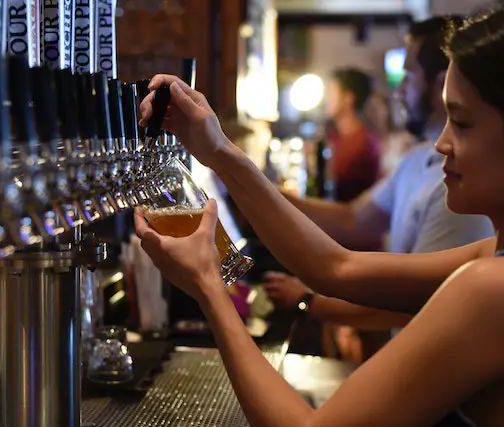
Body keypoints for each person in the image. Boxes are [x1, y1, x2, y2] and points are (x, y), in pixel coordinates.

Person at [136, 8, 504, 426]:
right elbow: (335, 267)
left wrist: (208, 287)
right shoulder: (490, 257)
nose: (441, 143)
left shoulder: (489, 288)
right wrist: (219, 151)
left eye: (462, 122)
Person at [264, 17, 494, 341]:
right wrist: (263, 191)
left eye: (410, 74)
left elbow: (414, 304)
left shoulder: (459, 187)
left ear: (441, 81)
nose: (399, 88)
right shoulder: (418, 160)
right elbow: (352, 219)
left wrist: (306, 299)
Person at [324, 68, 381, 204]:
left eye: (331, 93)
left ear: (348, 99)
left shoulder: (363, 144)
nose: (326, 100)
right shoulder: (335, 135)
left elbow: (331, 181)